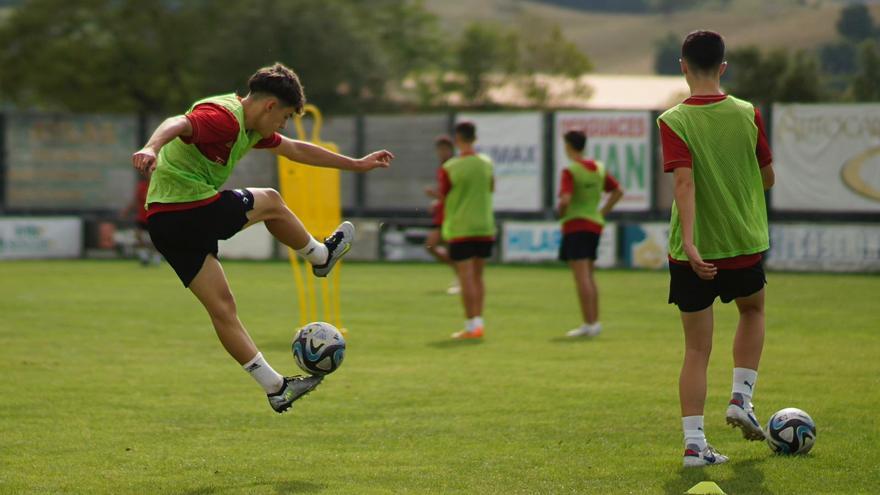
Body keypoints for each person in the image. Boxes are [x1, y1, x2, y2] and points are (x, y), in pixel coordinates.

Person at [131, 63, 393, 414]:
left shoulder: (253, 128)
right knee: (270, 200)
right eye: (284, 117)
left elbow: (297, 150)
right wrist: (150, 147)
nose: (282, 125)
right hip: (185, 209)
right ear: (270, 106)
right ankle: (319, 256)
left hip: (166, 223)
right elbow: (179, 122)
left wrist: (356, 164)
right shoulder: (224, 116)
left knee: (224, 309)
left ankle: (276, 388)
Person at [658, 31, 775, 467]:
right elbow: (768, 177)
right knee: (753, 310)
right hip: (741, 242)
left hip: (692, 252)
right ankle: (741, 398)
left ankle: (693, 445)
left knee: (695, 350)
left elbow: (684, 182)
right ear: (723, 66)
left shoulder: (673, 119)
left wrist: (689, 242)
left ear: (683, 65)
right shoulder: (747, 114)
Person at [557, 130, 624, 338]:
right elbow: (618, 191)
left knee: (581, 277)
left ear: (568, 146)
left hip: (576, 225)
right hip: (594, 225)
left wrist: (561, 213)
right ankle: (593, 322)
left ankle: (589, 323)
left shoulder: (571, 171)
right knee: (589, 276)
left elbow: (565, 201)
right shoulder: (598, 168)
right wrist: (601, 212)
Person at [438, 122, 495, 339]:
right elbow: (492, 187)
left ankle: (471, 325)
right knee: (479, 277)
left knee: (466, 278)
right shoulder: (486, 163)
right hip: (485, 226)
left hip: (461, 227)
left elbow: (444, 195)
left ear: (457, 139)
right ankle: (479, 322)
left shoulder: (451, 167)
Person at [423, 135, 459, 295]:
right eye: (440, 149)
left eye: (445, 149)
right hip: (442, 214)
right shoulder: (443, 168)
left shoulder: (454, 167)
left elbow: (454, 195)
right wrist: (437, 203)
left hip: (452, 215)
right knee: (431, 245)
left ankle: (462, 277)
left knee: (438, 245)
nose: (442, 152)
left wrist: (435, 196)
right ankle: (460, 274)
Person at [118, 176, 161, 266]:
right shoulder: (142, 186)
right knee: (138, 235)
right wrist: (126, 211)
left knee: (156, 239)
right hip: (142, 217)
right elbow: (135, 201)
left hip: (154, 216)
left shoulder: (159, 185)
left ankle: (156, 257)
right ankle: (144, 256)